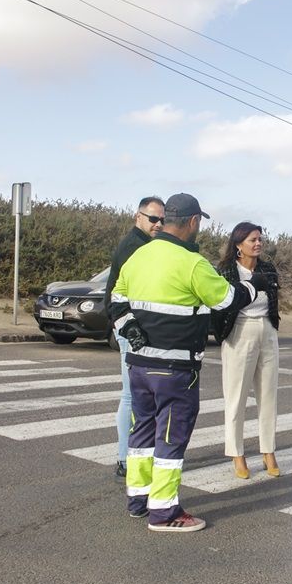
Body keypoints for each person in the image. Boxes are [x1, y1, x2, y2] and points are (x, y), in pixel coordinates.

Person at [108, 193, 269, 532]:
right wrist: (254, 287)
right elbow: (226, 299)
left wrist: (129, 329)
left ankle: (138, 500)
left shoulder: (139, 256)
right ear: (194, 222)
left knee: (142, 434)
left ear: (166, 220)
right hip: (175, 369)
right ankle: (164, 513)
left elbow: (116, 300)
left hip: (139, 366)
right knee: (171, 439)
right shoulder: (192, 263)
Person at [212, 222, 281, 480]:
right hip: (239, 331)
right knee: (236, 397)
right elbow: (217, 306)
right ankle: (237, 455)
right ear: (239, 244)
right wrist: (222, 335)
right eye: (252, 239)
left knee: (268, 396)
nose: (258, 243)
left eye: (260, 239)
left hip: (267, 330)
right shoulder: (227, 271)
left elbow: (274, 301)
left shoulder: (268, 269)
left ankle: (268, 451)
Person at [103, 196, 165, 481]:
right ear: (138, 217)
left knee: (134, 394)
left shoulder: (146, 245)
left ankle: (130, 456)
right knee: (131, 394)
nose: (158, 224)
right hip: (130, 327)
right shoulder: (134, 246)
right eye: (153, 219)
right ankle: (125, 459)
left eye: (162, 219)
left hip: (132, 326)